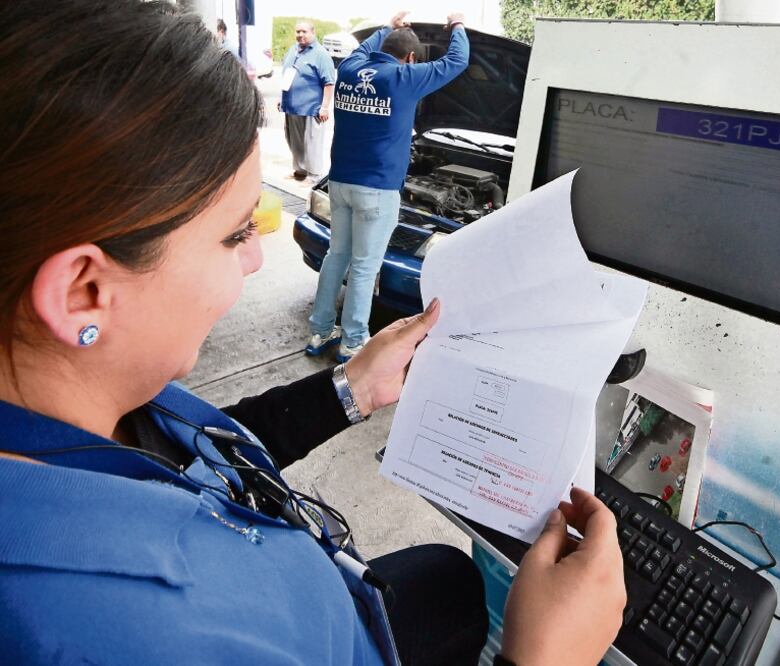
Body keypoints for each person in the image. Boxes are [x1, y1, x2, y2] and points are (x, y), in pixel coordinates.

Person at [0, 1, 626, 664]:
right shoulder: (143, 638)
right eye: (237, 233)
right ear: (83, 294)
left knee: (448, 578)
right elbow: (454, 64)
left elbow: (191, 450)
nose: (253, 259)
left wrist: (348, 389)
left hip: (325, 592)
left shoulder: (87, 408)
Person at [305, 11, 469, 361]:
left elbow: (364, 49)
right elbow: (458, 59)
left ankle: (319, 332)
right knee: (365, 265)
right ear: (410, 58)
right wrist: (457, 24)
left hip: (340, 182)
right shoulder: (405, 77)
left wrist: (387, 27)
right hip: (377, 189)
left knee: (337, 256)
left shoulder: (348, 68)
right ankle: (353, 342)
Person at [280, 20, 335, 182]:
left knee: (312, 143)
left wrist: (324, 107)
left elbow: (329, 82)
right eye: (298, 32)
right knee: (294, 142)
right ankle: (299, 171)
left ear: (313, 32)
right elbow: (287, 75)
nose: (300, 35)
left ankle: (314, 175)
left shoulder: (321, 54)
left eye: (304, 31)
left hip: (312, 108)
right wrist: (281, 98)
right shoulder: (293, 50)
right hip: (292, 106)